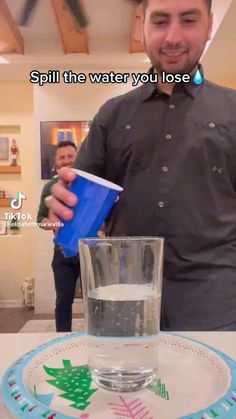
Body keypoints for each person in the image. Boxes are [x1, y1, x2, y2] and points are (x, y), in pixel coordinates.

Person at [46, 0, 236, 331]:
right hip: (123, 295)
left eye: (189, 20)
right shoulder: (112, 115)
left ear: (208, 26)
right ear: (142, 26)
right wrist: (64, 209)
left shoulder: (233, 110)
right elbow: (80, 205)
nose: (173, 37)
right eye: (160, 21)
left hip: (216, 303)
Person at [37, 141, 81, 332]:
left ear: (77, 158)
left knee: (97, 299)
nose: (67, 160)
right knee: (63, 300)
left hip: (90, 252)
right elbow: (40, 219)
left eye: (70, 156)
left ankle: (98, 339)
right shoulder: (49, 188)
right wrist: (52, 225)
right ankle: (61, 338)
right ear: (56, 162)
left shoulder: (89, 185)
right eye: (62, 157)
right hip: (61, 253)